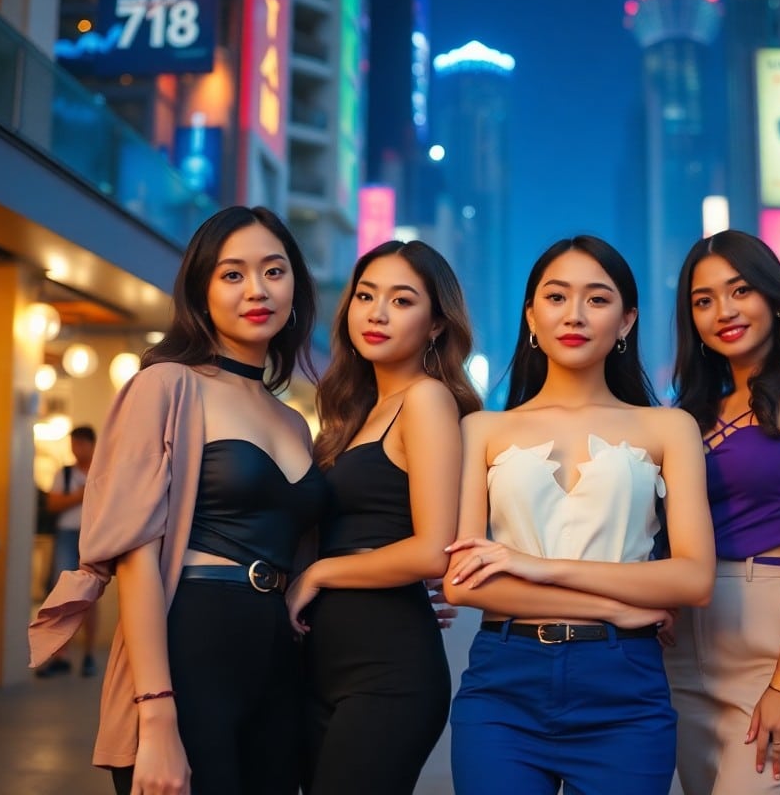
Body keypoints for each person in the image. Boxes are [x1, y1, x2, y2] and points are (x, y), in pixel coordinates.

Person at [29, 206, 326, 795]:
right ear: (201, 288)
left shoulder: (294, 422)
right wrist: (157, 713)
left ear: (296, 285)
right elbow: (137, 557)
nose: (257, 290)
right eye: (232, 274)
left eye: (274, 270)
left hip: (280, 657)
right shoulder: (165, 385)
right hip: (191, 644)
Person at [443, 235, 716, 795]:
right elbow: (465, 583)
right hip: (503, 682)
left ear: (626, 321)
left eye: (597, 299)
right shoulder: (484, 430)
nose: (574, 314)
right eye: (556, 296)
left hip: (626, 690)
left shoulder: (669, 428)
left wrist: (535, 566)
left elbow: (694, 577)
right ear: (531, 316)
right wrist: (616, 606)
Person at [285, 240, 481, 794]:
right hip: (323, 665)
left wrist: (319, 573)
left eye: (401, 300)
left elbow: (430, 547)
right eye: (366, 295)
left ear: (437, 324)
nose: (376, 312)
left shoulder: (426, 400)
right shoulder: (354, 411)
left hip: (387, 670)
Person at [664, 230, 780, 794]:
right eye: (703, 300)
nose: (723, 311)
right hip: (686, 643)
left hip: (774, 630)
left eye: (739, 290)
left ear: (773, 296)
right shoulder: (690, 410)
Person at [36, 425, 99, 678]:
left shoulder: (102, 471)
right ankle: (60, 654)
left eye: (81, 444)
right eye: (73, 444)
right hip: (66, 534)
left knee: (90, 595)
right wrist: (78, 495)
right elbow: (52, 503)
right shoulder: (63, 473)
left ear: (93, 444)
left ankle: (89, 654)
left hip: (92, 535)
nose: (76, 449)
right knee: (63, 594)